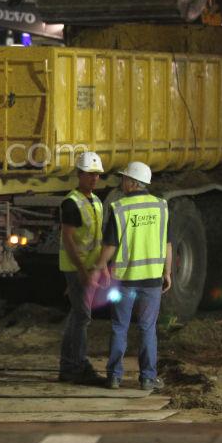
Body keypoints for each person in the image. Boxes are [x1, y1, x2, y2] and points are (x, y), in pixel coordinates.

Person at [95, 161, 173, 391]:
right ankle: (148, 378)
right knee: (147, 328)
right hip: (152, 281)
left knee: (120, 327)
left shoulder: (119, 208)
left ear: (131, 182)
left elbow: (110, 245)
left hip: (124, 281)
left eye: (123, 179)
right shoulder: (161, 206)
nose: (122, 183)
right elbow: (168, 244)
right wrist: (167, 272)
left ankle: (114, 377)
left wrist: (100, 267)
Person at [58, 151, 106, 385]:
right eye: (90, 174)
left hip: (88, 268)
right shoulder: (71, 203)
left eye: (97, 175)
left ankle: (71, 364)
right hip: (78, 268)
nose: (94, 179)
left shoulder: (96, 202)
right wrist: (82, 271)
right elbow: (68, 240)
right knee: (82, 316)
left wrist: (101, 267)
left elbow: (96, 239)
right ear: (79, 175)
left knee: (78, 315)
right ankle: (74, 365)